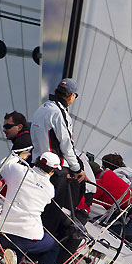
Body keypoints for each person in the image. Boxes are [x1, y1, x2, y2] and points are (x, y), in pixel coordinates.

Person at [30, 78, 86, 237]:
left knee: (38, 208)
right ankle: (42, 244)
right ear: (71, 96)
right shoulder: (59, 112)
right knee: (54, 213)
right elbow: (67, 145)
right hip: (54, 170)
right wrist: (77, 169)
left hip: (36, 165)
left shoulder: (42, 108)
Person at [0, 151, 61, 264]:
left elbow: (3, 162)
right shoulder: (50, 189)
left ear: (37, 161)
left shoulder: (18, 171)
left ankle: (13, 258)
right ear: (52, 171)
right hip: (27, 239)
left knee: (21, 236)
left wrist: (19, 157)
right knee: (53, 246)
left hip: (3, 233)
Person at [81, 161, 132, 243]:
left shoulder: (100, 182)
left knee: (94, 226)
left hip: (131, 220)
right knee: (94, 222)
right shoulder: (109, 174)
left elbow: (86, 195)